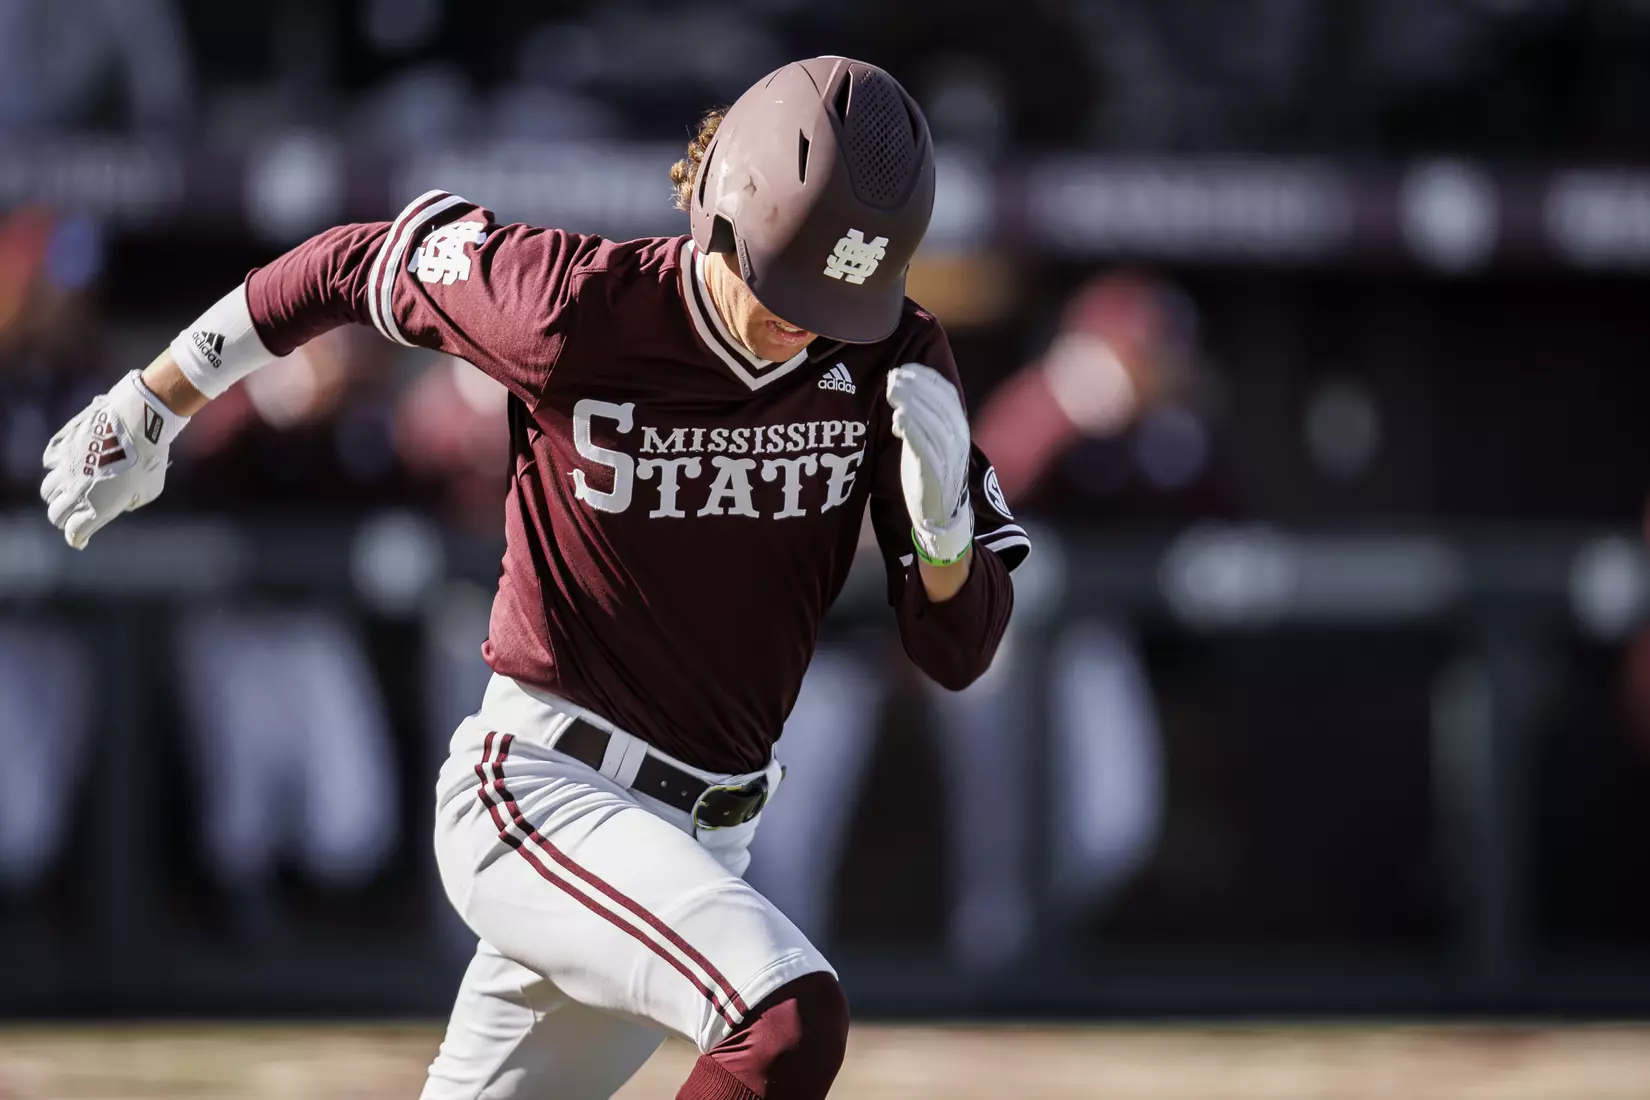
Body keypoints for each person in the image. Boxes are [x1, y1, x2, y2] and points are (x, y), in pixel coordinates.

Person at [38, 57, 1028, 1100]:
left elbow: (959, 654)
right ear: (721, 208)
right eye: (791, 279)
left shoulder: (893, 355)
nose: (809, 320)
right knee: (784, 1016)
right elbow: (347, 265)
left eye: (843, 294)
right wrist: (152, 402)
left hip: (705, 837)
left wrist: (945, 536)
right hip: (548, 791)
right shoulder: (577, 303)